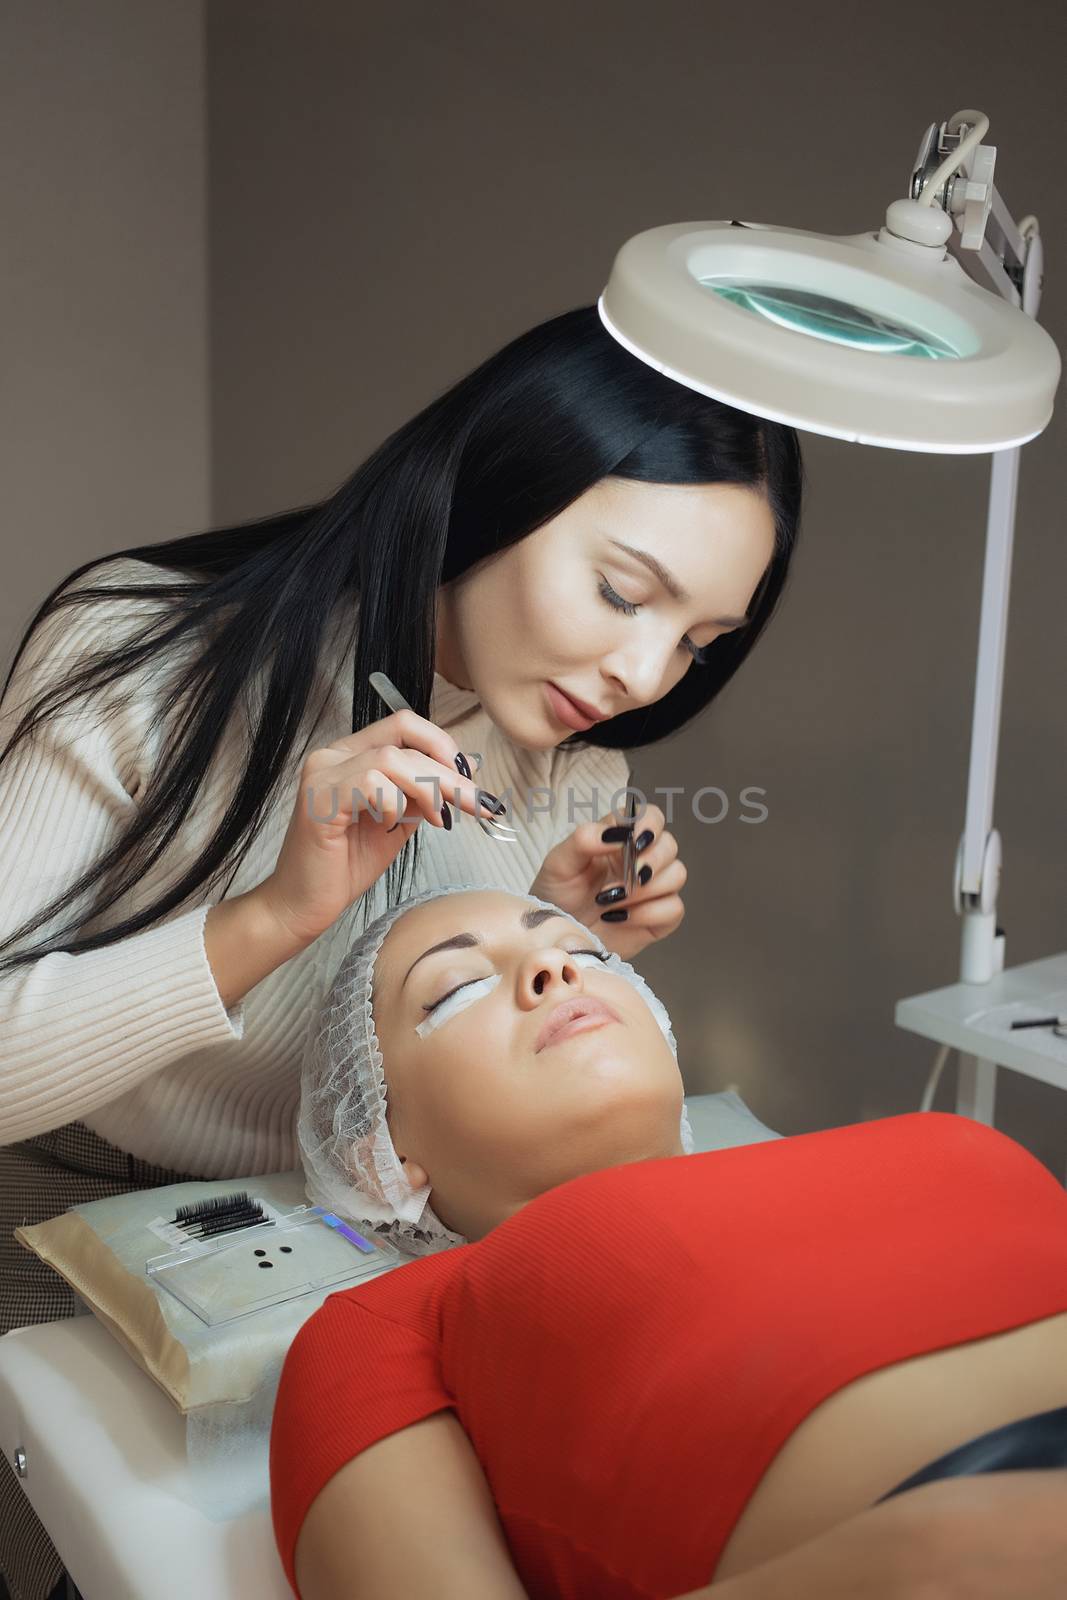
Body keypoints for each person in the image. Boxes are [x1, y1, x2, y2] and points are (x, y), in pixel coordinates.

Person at [0, 305, 802, 1600]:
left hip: (356, 1230)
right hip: (57, 1196)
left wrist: (561, 920)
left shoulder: (567, 755)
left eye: (698, 642)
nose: (643, 670)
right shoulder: (142, 655)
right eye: (620, 591)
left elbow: (420, 1036)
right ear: (493, 480)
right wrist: (272, 917)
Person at [270, 884, 1067, 1600]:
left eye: (582, 950)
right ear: (379, 1147)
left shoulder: (828, 1150)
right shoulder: (395, 1320)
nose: (556, 968)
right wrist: (930, 1558)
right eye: (456, 989)